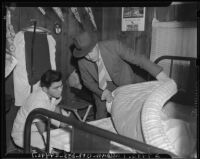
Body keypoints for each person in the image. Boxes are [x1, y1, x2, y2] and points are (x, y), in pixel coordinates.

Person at [72, 31, 169, 119]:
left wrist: (159, 74)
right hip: (101, 89)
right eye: (85, 54)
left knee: (130, 114)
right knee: (100, 117)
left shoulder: (114, 46)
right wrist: (102, 93)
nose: (90, 57)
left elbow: (139, 59)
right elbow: (87, 82)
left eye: (90, 52)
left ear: (96, 44)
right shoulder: (82, 61)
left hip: (124, 81)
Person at [11, 70, 70, 150]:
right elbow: (44, 132)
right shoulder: (37, 103)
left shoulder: (51, 93)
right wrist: (59, 132)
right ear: (45, 89)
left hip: (36, 127)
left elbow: (55, 106)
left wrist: (62, 123)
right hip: (24, 134)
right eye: (56, 88)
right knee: (52, 144)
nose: (60, 90)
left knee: (66, 123)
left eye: (61, 86)